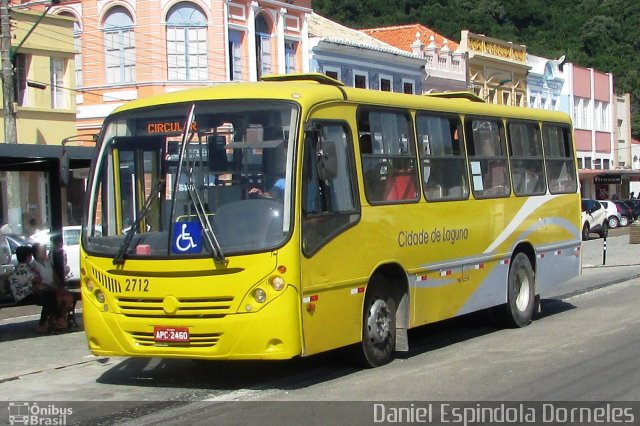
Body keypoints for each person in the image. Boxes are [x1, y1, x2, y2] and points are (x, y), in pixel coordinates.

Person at [8, 245, 59, 333]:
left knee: (50, 296)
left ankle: (51, 322)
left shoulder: (19, 267)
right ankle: (43, 325)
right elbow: (38, 280)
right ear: (28, 256)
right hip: (23, 295)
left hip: (21, 294)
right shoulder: (25, 268)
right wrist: (37, 272)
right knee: (49, 299)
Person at [31, 243, 73, 330]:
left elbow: (55, 276)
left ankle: (60, 319)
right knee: (57, 298)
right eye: (43, 251)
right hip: (46, 290)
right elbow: (40, 283)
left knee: (68, 298)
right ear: (37, 253)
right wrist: (56, 290)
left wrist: (60, 287)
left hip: (54, 286)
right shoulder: (33, 266)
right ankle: (55, 321)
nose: (45, 252)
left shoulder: (48, 262)